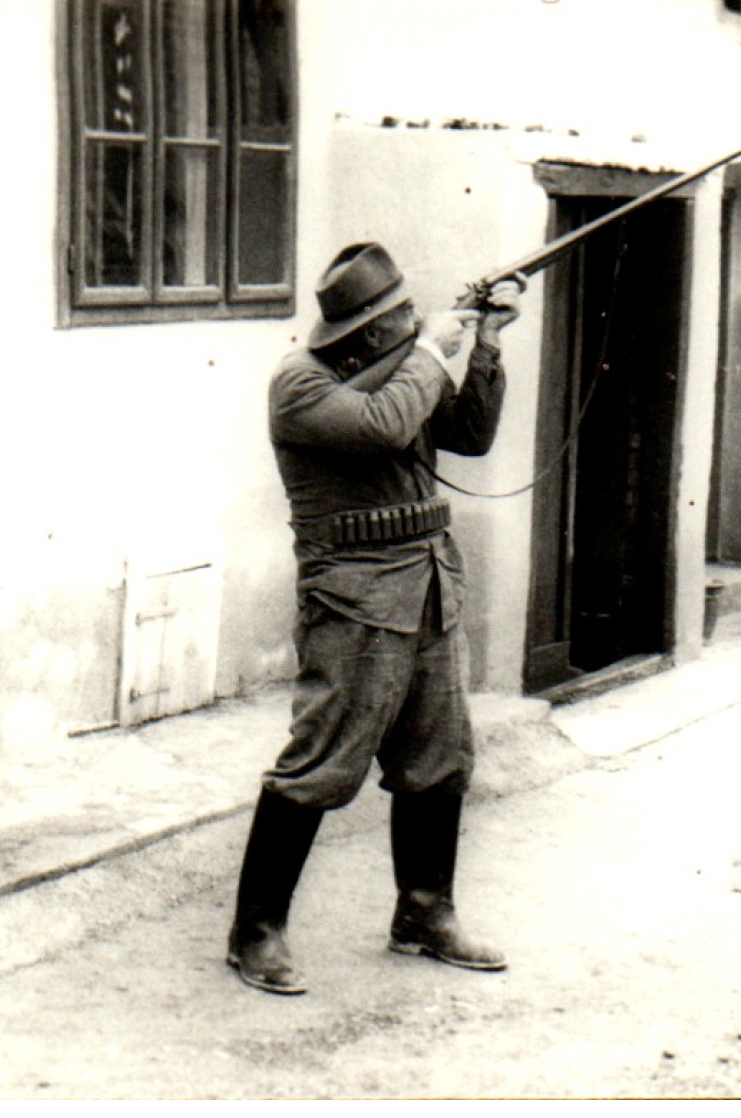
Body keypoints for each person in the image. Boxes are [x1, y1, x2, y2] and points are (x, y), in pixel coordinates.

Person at [226, 241, 523, 996]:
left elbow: (471, 435)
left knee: (439, 758)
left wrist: (486, 342)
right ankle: (255, 932)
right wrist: (429, 351)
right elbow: (384, 427)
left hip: (426, 582)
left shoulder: (403, 373)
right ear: (362, 335)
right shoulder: (299, 384)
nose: (411, 325)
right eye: (397, 321)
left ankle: (425, 914)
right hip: (353, 595)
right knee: (322, 761)